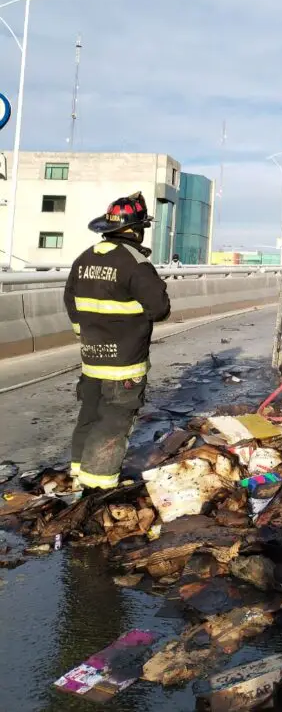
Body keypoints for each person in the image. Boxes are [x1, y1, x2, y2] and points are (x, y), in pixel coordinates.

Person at [64, 192, 171, 491]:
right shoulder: (135, 263)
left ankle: (78, 474)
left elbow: (71, 301)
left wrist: (82, 333)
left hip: (92, 356)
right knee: (114, 420)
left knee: (89, 413)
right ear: (136, 230)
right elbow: (160, 309)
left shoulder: (84, 258)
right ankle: (98, 486)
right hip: (124, 362)